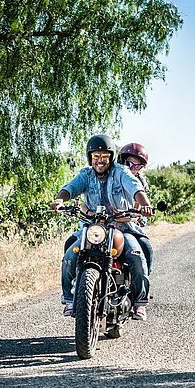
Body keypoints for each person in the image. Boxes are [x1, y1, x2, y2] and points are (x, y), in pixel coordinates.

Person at [50, 134, 153, 321]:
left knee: (137, 254)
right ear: (90, 158)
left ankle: (140, 303)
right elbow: (70, 188)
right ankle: (69, 299)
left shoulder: (121, 172)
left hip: (122, 228)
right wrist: (59, 199)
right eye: (96, 156)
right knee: (70, 254)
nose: (100, 161)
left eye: (104, 156)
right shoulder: (86, 175)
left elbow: (135, 187)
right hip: (93, 227)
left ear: (111, 157)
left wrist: (144, 204)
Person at [117, 142, 154, 275]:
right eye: (128, 164)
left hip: (129, 224)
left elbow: (137, 208)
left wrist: (139, 215)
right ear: (121, 162)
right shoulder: (113, 176)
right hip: (106, 222)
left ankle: (144, 286)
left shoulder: (140, 183)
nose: (132, 168)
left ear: (141, 168)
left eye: (137, 165)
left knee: (146, 247)